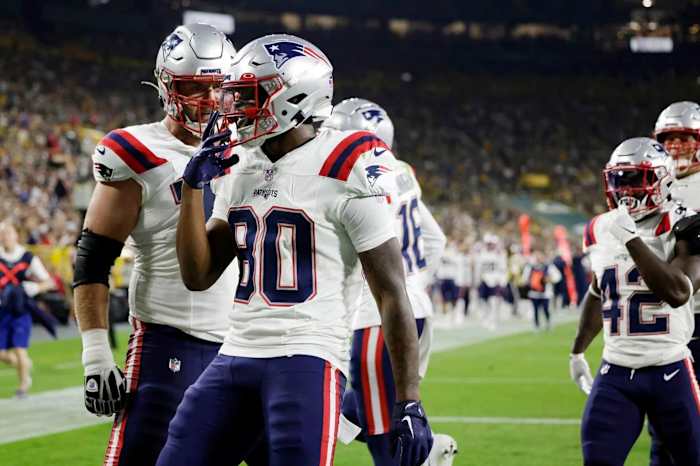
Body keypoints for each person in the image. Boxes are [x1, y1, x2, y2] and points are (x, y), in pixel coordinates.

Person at [157, 34, 433, 466]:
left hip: (307, 354)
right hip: (236, 351)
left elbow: (391, 293)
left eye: (249, 97)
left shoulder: (348, 164)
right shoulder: (240, 166)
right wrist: (193, 189)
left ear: (294, 97)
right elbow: (199, 274)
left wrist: (409, 400)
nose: (233, 109)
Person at [71, 24, 247, 466]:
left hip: (249, 343)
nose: (206, 102)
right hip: (172, 342)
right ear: (166, 85)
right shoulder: (138, 150)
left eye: (216, 89)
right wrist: (95, 353)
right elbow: (93, 260)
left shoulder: (254, 149)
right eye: (193, 88)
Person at [322, 98, 456, 465]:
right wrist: (413, 284)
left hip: (377, 317)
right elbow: (435, 240)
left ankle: (425, 455)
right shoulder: (402, 172)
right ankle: (429, 451)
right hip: (414, 311)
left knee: (386, 441)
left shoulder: (356, 176)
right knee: (351, 412)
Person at [569, 137, 700, 466]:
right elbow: (599, 291)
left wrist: (630, 238)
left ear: (662, 179)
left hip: (669, 368)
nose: (624, 190)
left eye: (634, 179)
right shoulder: (600, 229)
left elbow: (678, 292)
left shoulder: (685, 223)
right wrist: (577, 350)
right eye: (618, 180)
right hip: (615, 371)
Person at [647, 100, 700, 466]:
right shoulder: (652, 189)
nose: (677, 146)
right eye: (670, 138)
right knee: (665, 435)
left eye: (685, 137)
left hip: (696, 317)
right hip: (665, 324)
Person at [0, 221, 55, 397]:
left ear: (16, 235)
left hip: (20, 310)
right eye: (2, 233)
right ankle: (22, 364)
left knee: (19, 348)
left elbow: (49, 281)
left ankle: (23, 385)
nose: (4, 236)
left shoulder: (27, 257)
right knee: (2, 353)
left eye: (8, 232)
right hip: (2, 311)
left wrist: (35, 288)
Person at [473, 233, 508, 330]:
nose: (490, 245)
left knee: (493, 302)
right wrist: (476, 280)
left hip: (494, 280)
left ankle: (492, 320)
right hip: (484, 279)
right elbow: (478, 268)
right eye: (488, 243)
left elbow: (503, 268)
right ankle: (486, 318)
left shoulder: (499, 254)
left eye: (491, 243)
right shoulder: (481, 253)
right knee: (484, 302)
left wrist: (502, 281)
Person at [522, 249, 561, 331]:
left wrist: (549, 279)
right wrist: (531, 282)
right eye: (536, 256)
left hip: (545, 293)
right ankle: (536, 325)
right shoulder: (530, 267)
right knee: (535, 310)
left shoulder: (548, 266)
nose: (538, 258)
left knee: (546, 309)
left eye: (540, 256)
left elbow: (557, 277)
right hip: (534, 293)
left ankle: (548, 322)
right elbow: (525, 279)